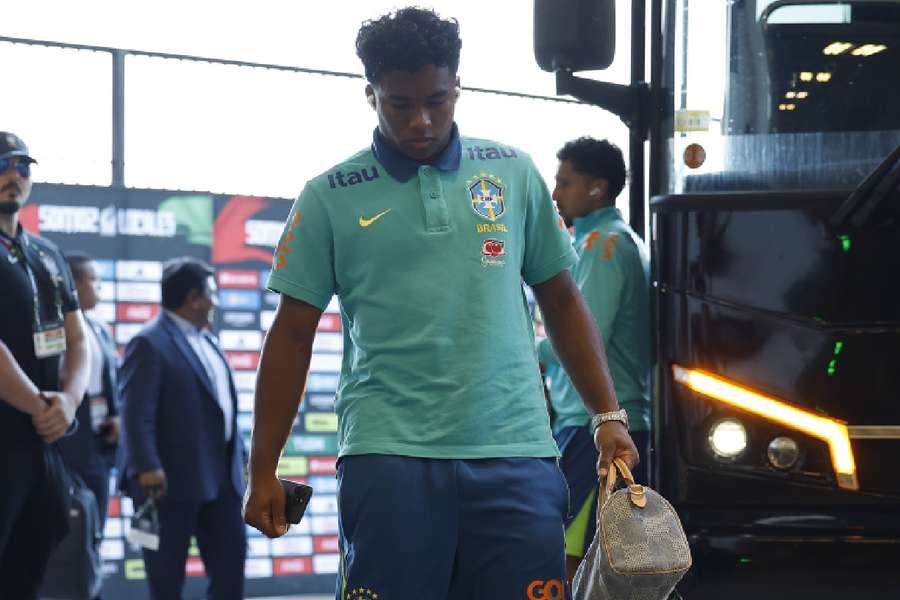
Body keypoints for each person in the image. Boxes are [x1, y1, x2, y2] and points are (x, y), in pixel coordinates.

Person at [243, 9, 638, 600]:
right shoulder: (328, 197)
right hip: (388, 457)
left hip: (518, 453)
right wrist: (261, 471)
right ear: (370, 94)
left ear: (459, 87)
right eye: (399, 104)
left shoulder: (513, 173)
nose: (421, 120)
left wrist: (607, 416)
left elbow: (560, 296)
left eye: (437, 99)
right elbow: (292, 335)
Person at [539, 136, 651, 583]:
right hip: (597, 420)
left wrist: (517, 349)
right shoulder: (610, 240)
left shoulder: (602, 247)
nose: (555, 193)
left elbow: (585, 340)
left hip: (599, 425)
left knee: (571, 562)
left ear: (597, 189)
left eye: (565, 183)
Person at [118, 257, 246, 600]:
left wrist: (244, 461)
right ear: (193, 298)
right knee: (166, 583)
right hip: (167, 486)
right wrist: (146, 467)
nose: (216, 302)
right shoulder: (149, 342)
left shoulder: (209, 342)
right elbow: (135, 413)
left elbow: (223, 411)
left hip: (223, 484)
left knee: (230, 576)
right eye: (212, 294)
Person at [0, 131, 90, 597]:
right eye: (2, 165)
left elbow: (79, 339)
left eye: (22, 166)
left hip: (43, 440)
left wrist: (70, 402)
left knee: (33, 559)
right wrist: (39, 404)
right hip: (14, 427)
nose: (13, 176)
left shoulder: (46, 254)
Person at [56, 251, 120, 591]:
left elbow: (113, 387)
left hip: (99, 449)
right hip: (62, 448)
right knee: (63, 540)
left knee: (94, 534)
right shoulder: (50, 327)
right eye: (94, 280)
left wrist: (117, 418)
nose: (100, 288)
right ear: (74, 283)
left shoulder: (101, 331)